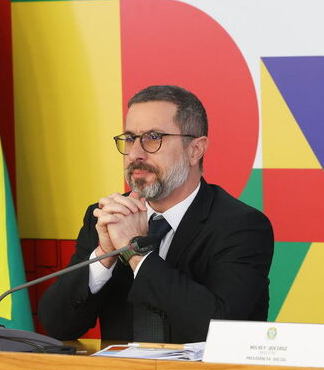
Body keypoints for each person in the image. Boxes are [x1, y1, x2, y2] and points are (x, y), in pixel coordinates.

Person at [38, 84, 273, 343]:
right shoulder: (108, 216)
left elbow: (222, 330)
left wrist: (136, 253)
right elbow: (57, 326)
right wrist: (104, 255)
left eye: (153, 137)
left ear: (195, 149)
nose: (136, 154)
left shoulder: (240, 226)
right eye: (129, 139)